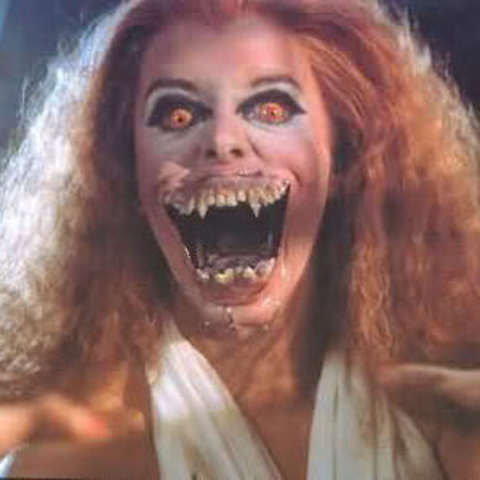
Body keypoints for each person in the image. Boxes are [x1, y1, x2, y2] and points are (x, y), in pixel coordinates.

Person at [1, 0, 480, 477]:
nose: (222, 139)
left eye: (271, 108)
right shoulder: (66, 459)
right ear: (127, 174)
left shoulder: (444, 414)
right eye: (178, 115)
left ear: (343, 156)